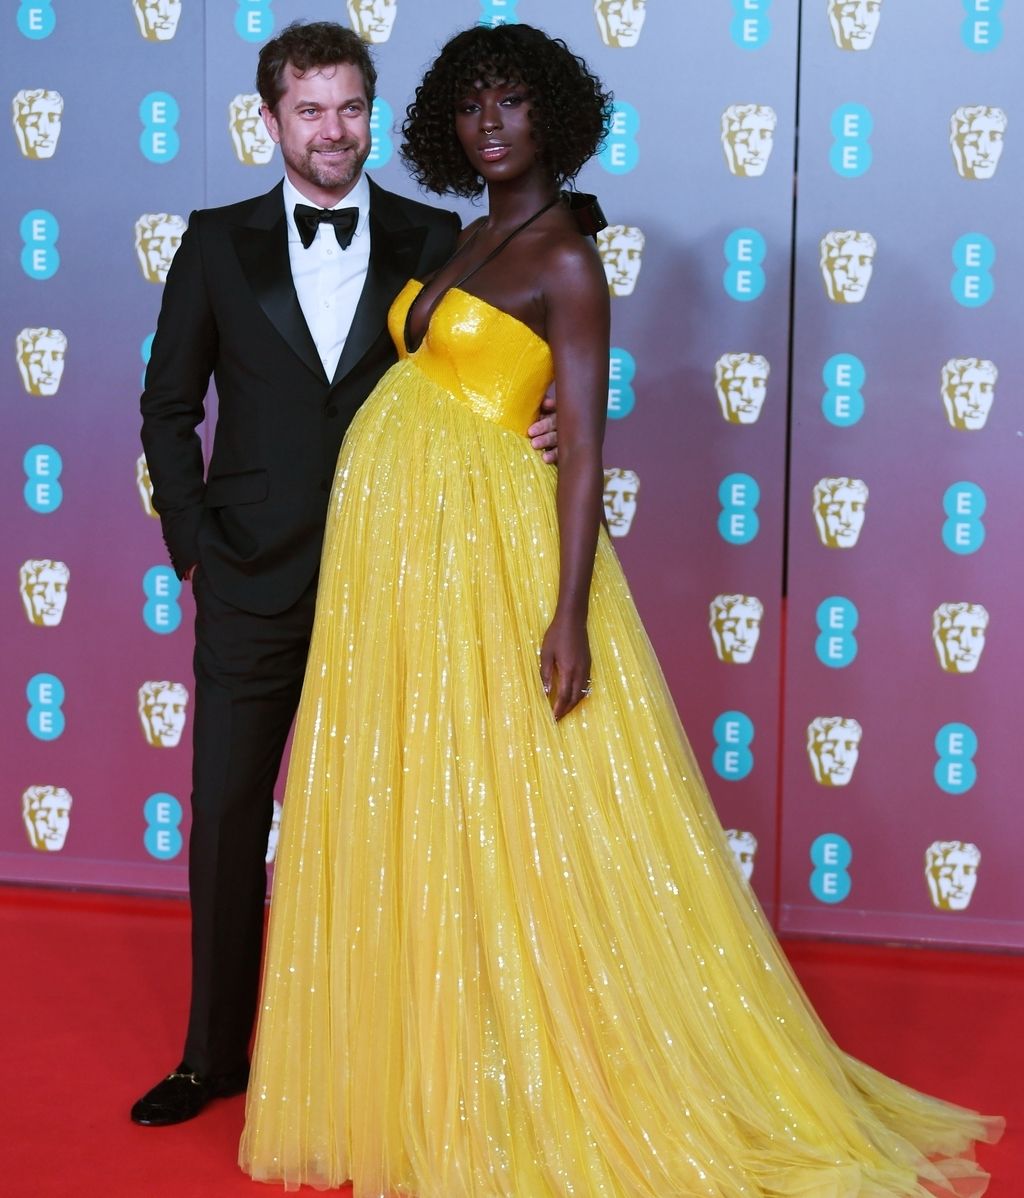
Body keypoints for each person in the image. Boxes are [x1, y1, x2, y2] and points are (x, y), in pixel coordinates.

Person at [239, 22, 1001, 1196]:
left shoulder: (564, 264)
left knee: (522, 813)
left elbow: (586, 449)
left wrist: (567, 613)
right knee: (435, 801)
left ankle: (541, 1072)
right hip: (403, 573)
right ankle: (447, 1051)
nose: (490, 123)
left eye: (513, 103)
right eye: (470, 105)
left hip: (488, 562)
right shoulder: (472, 234)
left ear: (556, 118)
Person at [134, 20, 557, 1127]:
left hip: (406, 576)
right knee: (228, 815)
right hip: (251, 579)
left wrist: (533, 420)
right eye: (309, 109)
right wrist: (197, 550)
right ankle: (212, 1056)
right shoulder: (215, 242)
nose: (332, 131)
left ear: (375, 114)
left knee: (406, 815)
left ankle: (408, 1053)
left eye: (350, 108)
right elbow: (167, 409)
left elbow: (490, 366)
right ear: (268, 120)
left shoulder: (439, 235)